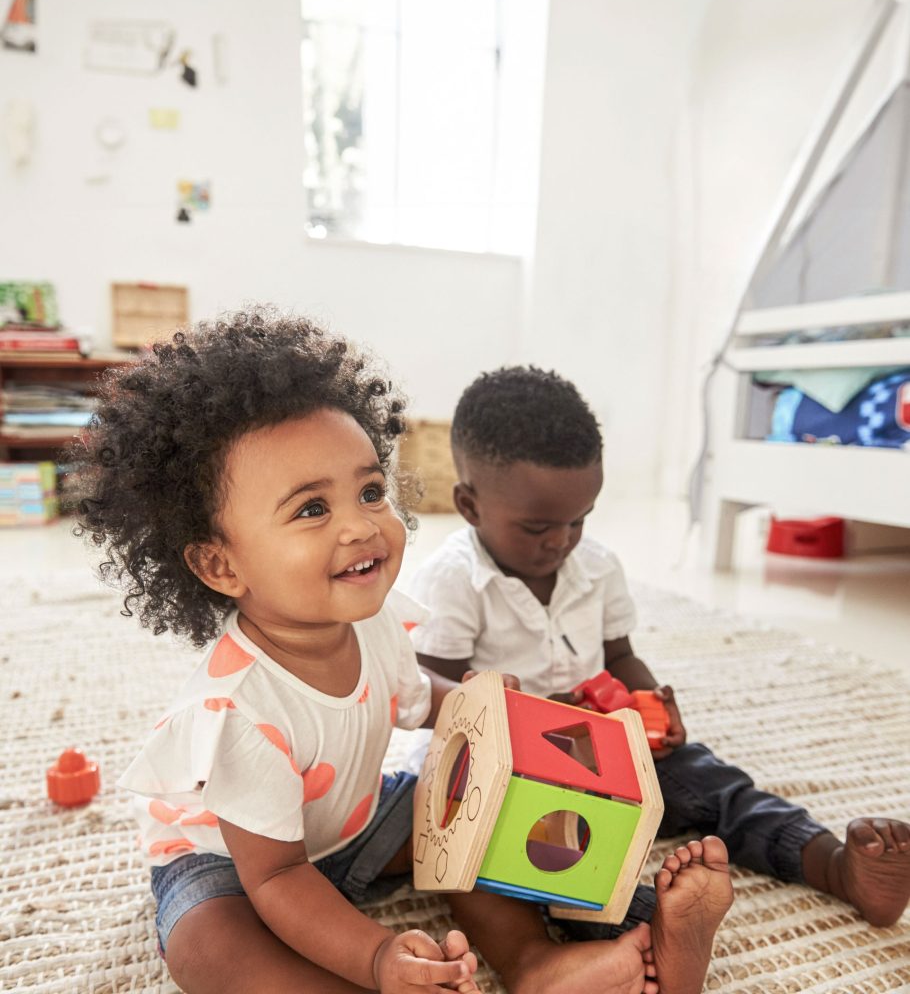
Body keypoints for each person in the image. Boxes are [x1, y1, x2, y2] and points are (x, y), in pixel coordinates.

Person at [72, 311, 722, 994]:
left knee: (480, 811)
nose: (361, 525)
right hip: (237, 867)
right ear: (220, 564)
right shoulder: (238, 713)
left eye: (371, 491)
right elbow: (279, 877)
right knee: (211, 948)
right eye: (311, 509)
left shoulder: (374, 626)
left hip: (355, 823)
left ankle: (549, 958)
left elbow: (423, 700)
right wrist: (379, 957)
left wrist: (492, 712)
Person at [407, 365, 910, 961]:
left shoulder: (594, 565)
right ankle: (654, 936)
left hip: (605, 745)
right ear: (468, 504)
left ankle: (834, 865)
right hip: (505, 772)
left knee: (716, 786)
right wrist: (535, 717)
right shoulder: (452, 581)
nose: (561, 541)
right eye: (538, 526)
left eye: (579, 519)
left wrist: (652, 702)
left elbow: (620, 656)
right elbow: (434, 698)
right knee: (557, 862)